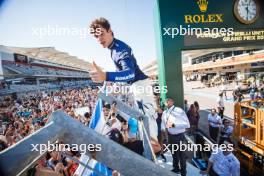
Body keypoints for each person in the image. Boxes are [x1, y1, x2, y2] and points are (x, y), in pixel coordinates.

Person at [89, 17, 158, 141]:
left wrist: (105, 76)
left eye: (101, 34)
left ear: (110, 31)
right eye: (96, 37)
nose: (99, 39)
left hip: (140, 85)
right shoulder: (113, 48)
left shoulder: (119, 49)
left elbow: (130, 74)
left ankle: (154, 148)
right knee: (143, 121)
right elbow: (122, 74)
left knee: (147, 122)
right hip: (136, 86)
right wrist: (114, 87)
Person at [161, 98, 190, 176]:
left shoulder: (179, 110)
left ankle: (183, 173)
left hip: (180, 136)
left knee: (182, 157)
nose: (167, 102)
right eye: (165, 101)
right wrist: (163, 130)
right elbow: (163, 124)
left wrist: (174, 125)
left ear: (172, 101)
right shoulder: (164, 112)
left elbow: (187, 124)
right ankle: (176, 168)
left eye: (169, 100)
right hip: (170, 137)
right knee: (174, 154)